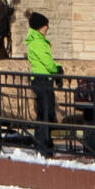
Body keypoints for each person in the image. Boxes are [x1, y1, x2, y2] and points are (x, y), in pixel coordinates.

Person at [23, 11, 59, 155]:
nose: (47, 28)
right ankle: (43, 144)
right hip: (42, 81)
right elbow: (48, 63)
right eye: (45, 25)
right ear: (40, 27)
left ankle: (44, 142)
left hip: (42, 80)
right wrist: (57, 69)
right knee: (46, 113)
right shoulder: (38, 43)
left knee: (45, 113)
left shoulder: (38, 41)